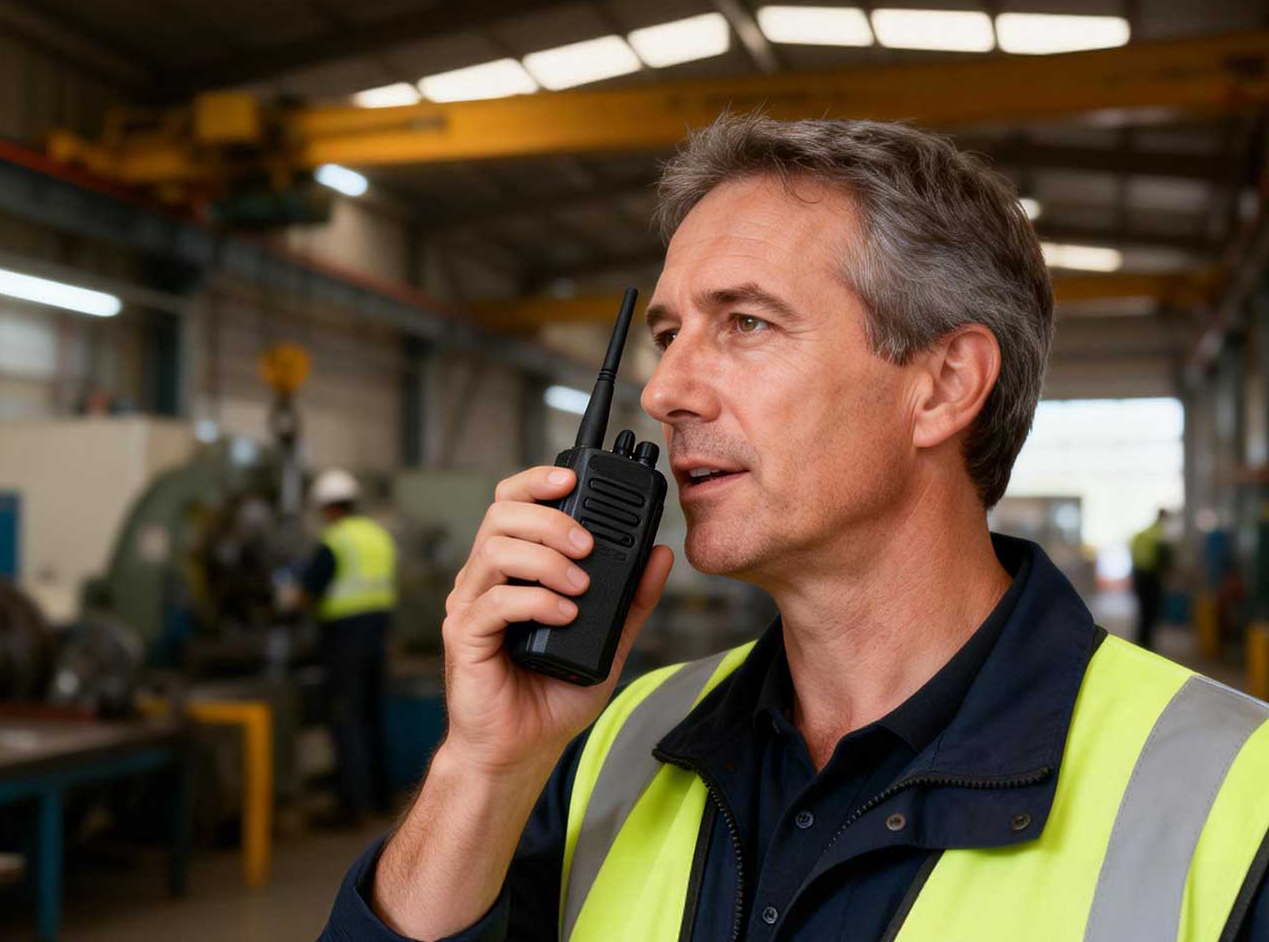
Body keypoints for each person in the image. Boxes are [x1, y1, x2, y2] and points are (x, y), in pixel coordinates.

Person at [321, 115, 1269, 941]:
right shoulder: (616, 745)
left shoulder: (1230, 797)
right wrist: (483, 768)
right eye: (666, 333)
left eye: (745, 323)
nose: (664, 391)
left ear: (942, 385)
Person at [291, 467, 399, 828]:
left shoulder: (335, 540)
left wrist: (288, 604)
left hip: (344, 637)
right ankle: (382, 799)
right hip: (378, 633)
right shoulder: (377, 535)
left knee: (346, 716)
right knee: (374, 713)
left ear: (327, 507)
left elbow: (309, 593)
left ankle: (352, 806)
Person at [1130, 508, 1173, 650]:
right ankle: (1147, 642)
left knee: (1144, 610)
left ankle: (1142, 640)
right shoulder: (1159, 534)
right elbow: (1164, 559)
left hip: (1139, 574)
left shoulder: (1144, 533)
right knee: (1152, 610)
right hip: (1150, 576)